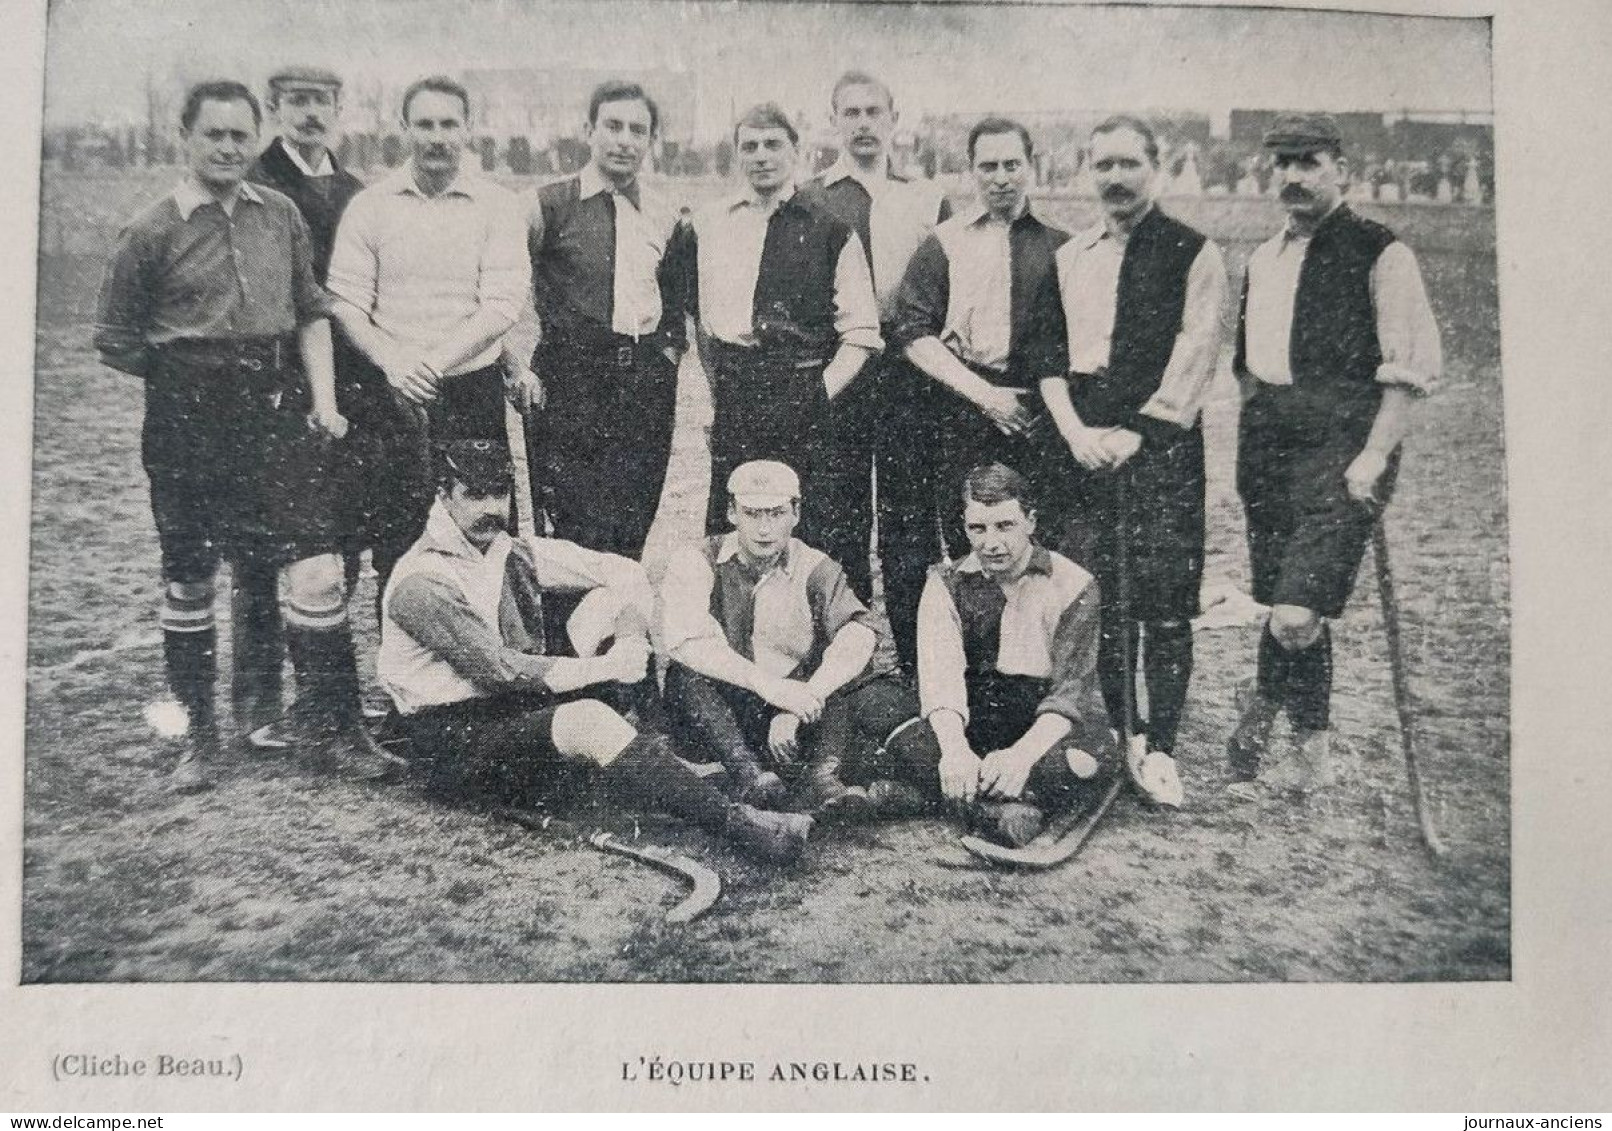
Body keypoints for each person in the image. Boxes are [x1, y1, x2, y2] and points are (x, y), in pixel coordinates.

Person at [93, 80, 397, 791]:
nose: (228, 148)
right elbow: (118, 342)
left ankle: (332, 732)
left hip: (276, 409)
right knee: (191, 580)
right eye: (214, 135)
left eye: (239, 135)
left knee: (319, 568)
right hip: (186, 421)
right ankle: (199, 740)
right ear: (186, 138)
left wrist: (322, 399)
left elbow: (310, 310)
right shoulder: (149, 230)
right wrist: (192, 385)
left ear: (255, 136)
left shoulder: (281, 213)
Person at [378, 441, 813, 863]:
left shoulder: (506, 550)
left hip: (505, 717)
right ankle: (742, 826)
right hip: (450, 742)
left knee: (607, 601)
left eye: (500, 494)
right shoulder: (423, 579)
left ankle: (658, 763)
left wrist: (627, 636)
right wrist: (605, 666)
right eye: (474, 495)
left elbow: (623, 572)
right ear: (444, 496)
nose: (491, 508)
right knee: (585, 719)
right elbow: (499, 671)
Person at [1225, 113, 1440, 798]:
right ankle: (1287, 732)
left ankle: (1278, 733)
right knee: (1284, 604)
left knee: (1297, 611)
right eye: (1282, 162)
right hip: (1268, 444)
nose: (1292, 175)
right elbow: (1250, 364)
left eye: (1309, 161)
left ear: (1343, 169)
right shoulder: (1264, 257)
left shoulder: (1382, 251)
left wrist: (1374, 453)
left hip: (1344, 447)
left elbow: (1411, 367)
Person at [1029, 115, 1228, 808]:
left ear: (1156, 168)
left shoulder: (1192, 251)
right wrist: (1076, 432)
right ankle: (1117, 732)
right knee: (1095, 595)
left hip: (1160, 445)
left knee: (1165, 600)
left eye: (1128, 164)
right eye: (1102, 164)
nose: (1115, 178)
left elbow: (1196, 352)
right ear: (1088, 172)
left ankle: (1161, 745)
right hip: (1080, 443)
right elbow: (1046, 356)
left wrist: (1139, 432)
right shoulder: (1071, 255)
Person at [327, 74, 529, 605]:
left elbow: (504, 303)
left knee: (483, 532)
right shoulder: (371, 206)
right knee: (397, 537)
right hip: (392, 396)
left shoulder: (497, 205)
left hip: (470, 391)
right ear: (404, 129)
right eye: (424, 124)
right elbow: (345, 300)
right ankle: (406, 679)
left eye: (448, 124)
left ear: (467, 130)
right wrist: (393, 362)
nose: (436, 137)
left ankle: (486, 676)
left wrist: (435, 363)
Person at [885, 116, 1068, 672]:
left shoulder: (1064, 247)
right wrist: (984, 396)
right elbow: (910, 331)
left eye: (1012, 164)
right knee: (973, 538)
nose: (1001, 178)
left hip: (1041, 413)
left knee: (1036, 540)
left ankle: (1033, 671)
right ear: (971, 172)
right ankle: (973, 671)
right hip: (964, 409)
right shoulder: (944, 244)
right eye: (987, 166)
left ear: (1030, 167)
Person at [659, 461, 925, 818]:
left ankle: (822, 777)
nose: (764, 529)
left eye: (776, 513)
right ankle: (749, 776)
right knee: (686, 674)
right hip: (724, 709)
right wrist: (769, 687)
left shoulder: (814, 565)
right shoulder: (697, 560)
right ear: (731, 512)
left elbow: (859, 633)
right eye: (752, 514)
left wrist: (805, 696)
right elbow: (686, 640)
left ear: (796, 513)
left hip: (793, 711)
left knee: (847, 677)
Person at [235, 65, 370, 742]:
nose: (311, 113)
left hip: (347, 386)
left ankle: (325, 699)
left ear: (339, 107)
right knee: (264, 548)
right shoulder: (253, 183)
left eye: (322, 101)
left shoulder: (355, 191)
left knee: (333, 538)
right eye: (297, 102)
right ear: (274, 107)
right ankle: (262, 706)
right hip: (273, 384)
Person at [504, 79, 692, 559]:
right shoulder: (547, 205)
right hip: (572, 380)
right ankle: (568, 636)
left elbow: (676, 299)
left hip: (645, 384)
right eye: (613, 126)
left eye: (638, 130)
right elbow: (496, 292)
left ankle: (618, 635)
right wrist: (514, 366)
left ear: (651, 141)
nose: (625, 140)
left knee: (631, 530)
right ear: (588, 130)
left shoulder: (665, 212)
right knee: (571, 537)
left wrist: (667, 357)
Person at [687, 102, 882, 544]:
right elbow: (697, 321)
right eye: (749, 146)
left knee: (811, 524)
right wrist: (714, 392)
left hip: (804, 388)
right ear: (737, 155)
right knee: (734, 523)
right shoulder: (708, 224)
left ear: (796, 151)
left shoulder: (832, 230)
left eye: (773, 144)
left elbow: (861, 334)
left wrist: (817, 396)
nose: (761, 156)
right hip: (737, 390)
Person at [797, 70, 950, 600]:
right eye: (851, 113)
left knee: (910, 518)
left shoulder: (929, 199)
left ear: (894, 121)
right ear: (833, 121)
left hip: (910, 377)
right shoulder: (809, 198)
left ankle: (912, 657)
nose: (863, 124)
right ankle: (850, 653)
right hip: (840, 370)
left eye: (874, 112)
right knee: (838, 515)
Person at [912, 463, 1118, 846]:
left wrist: (1021, 757)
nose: (991, 543)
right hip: (975, 716)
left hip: (1042, 720)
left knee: (1090, 758)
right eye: (978, 529)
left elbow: (1070, 693)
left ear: (1031, 522)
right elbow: (941, 679)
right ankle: (1005, 805)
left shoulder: (1075, 583)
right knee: (884, 711)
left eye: (1005, 526)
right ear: (964, 527)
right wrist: (955, 751)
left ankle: (947, 795)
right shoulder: (945, 582)